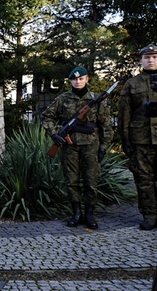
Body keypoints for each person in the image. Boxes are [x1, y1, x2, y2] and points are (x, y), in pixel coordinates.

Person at [42, 66, 113, 229]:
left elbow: (106, 125)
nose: (78, 81)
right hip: (69, 146)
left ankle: (89, 214)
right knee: (71, 180)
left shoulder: (96, 100)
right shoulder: (63, 99)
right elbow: (47, 116)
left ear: (87, 79)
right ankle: (76, 213)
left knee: (91, 180)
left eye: (81, 78)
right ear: (70, 81)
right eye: (74, 79)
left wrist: (103, 146)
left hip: (91, 146)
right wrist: (54, 135)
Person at [119, 45, 157, 230]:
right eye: (147, 57)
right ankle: (150, 215)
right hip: (141, 139)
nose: (151, 60)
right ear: (140, 61)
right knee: (144, 179)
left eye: (155, 57)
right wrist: (125, 139)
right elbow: (124, 114)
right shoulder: (132, 84)